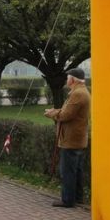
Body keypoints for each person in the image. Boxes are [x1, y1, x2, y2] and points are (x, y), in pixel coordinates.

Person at [44, 68, 91, 208]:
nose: (66, 80)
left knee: (68, 171)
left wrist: (52, 114)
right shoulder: (81, 91)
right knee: (76, 170)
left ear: (73, 80)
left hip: (71, 139)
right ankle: (77, 198)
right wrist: (55, 111)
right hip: (76, 138)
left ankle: (68, 200)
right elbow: (67, 111)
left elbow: (65, 115)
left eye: (68, 78)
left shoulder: (77, 94)